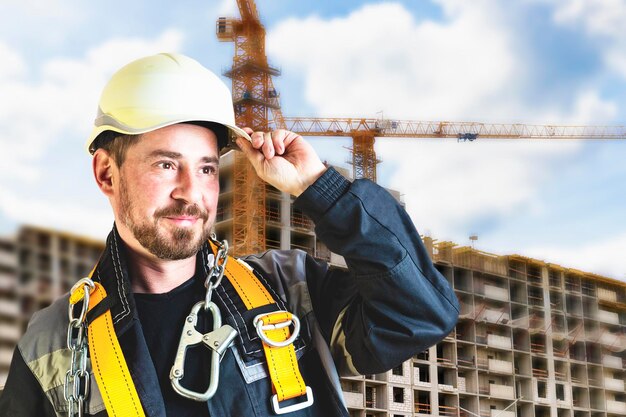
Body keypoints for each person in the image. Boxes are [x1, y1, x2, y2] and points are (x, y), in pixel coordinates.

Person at [0, 53, 459, 416]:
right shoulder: (53, 342)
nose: (191, 193)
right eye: (165, 165)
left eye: (205, 168)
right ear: (106, 173)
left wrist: (320, 187)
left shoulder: (286, 289)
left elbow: (420, 314)